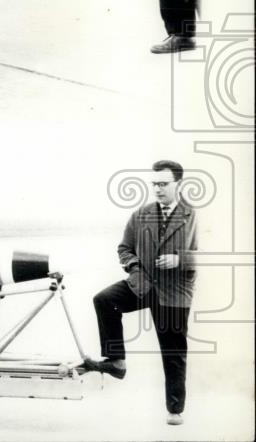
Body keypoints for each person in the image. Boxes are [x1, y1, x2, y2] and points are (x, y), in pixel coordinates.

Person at [82, 160, 198, 425]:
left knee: (173, 352)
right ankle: (116, 361)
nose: (158, 189)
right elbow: (124, 248)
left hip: (174, 291)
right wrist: (134, 267)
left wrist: (179, 260)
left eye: (163, 184)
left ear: (178, 184)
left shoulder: (193, 216)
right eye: (154, 184)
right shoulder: (140, 214)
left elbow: (210, 256)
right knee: (104, 300)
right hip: (142, 283)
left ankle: (175, 409)